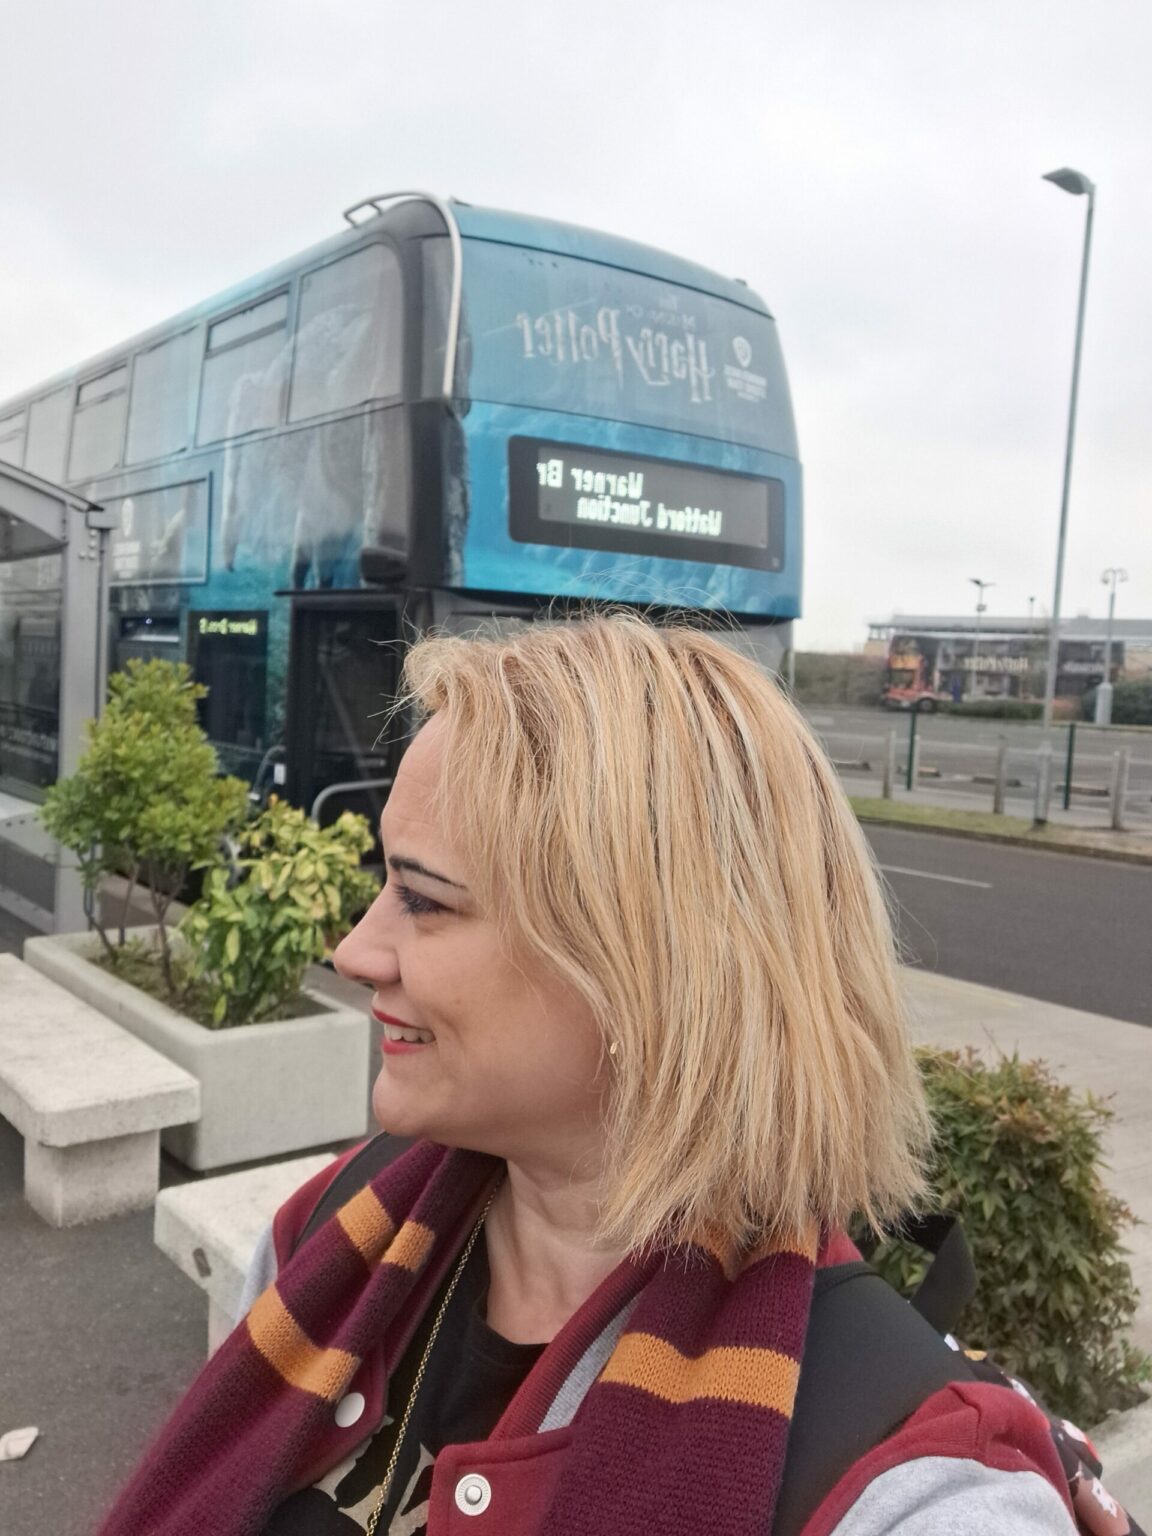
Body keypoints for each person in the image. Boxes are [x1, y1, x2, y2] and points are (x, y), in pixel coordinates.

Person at [98, 614, 1082, 1536]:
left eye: (424, 900)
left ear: (644, 966)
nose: (355, 952)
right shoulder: (325, 1233)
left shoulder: (912, 1482)